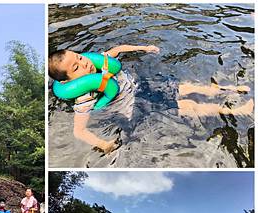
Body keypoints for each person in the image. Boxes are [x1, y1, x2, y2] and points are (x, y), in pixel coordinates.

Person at [48, 46, 253, 154]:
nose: (84, 64)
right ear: (67, 82)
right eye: (76, 68)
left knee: (188, 87)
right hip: (138, 105)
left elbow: (118, 49)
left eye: (79, 58)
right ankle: (236, 111)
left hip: (143, 86)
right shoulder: (84, 97)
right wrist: (104, 144)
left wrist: (144, 47)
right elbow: (79, 131)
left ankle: (230, 89)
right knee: (189, 106)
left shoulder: (98, 62)